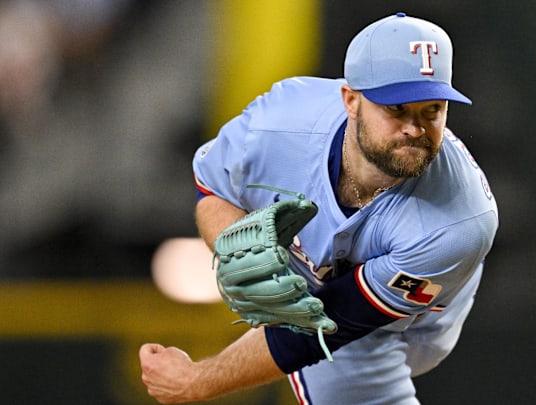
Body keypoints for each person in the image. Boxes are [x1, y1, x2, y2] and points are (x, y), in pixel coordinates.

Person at [139, 12, 499, 404]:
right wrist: (230, 243)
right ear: (350, 100)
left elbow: (329, 325)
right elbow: (214, 188)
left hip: (419, 321)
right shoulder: (278, 124)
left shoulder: (460, 219)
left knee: (340, 338)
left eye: (431, 110)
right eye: (396, 108)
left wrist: (198, 380)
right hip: (332, 287)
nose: (414, 128)